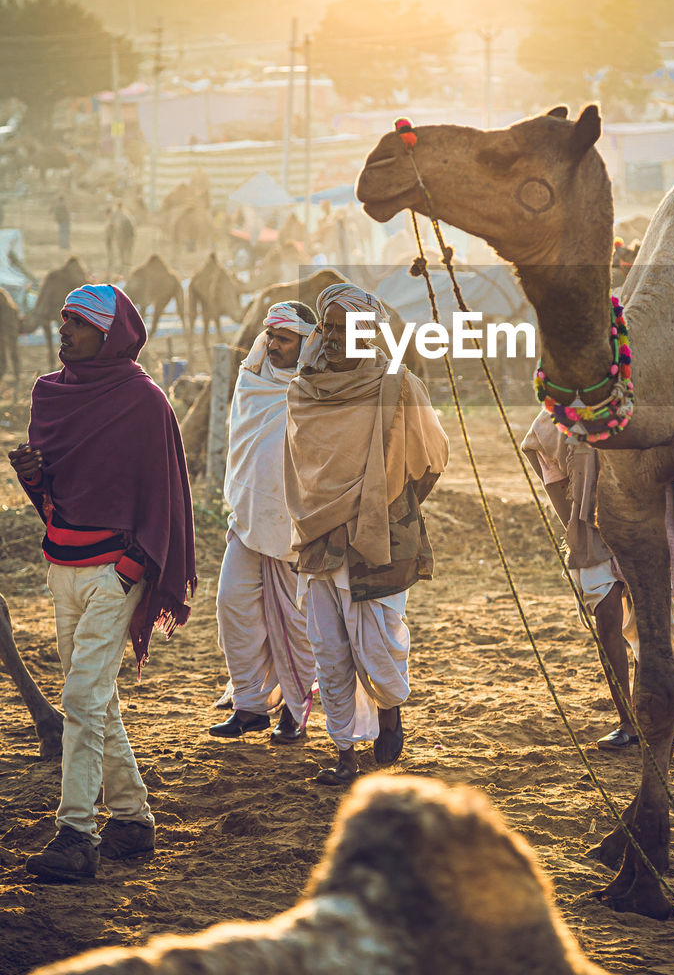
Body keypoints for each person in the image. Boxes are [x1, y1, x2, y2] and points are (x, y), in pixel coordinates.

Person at [8, 284, 195, 881]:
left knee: (82, 698)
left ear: (111, 335)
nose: (65, 332)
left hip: (118, 569)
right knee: (94, 697)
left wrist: (134, 568)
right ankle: (134, 819)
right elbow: (59, 497)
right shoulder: (49, 395)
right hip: (62, 564)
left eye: (80, 323)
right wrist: (34, 478)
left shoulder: (144, 402)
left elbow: (160, 499)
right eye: (64, 321)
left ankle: (76, 833)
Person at [284, 282, 449, 786]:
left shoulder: (398, 387)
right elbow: (300, 469)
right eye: (327, 327)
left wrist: (383, 504)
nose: (334, 337)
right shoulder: (302, 391)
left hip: (378, 537)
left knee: (378, 647)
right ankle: (345, 753)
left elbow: (431, 459)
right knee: (329, 654)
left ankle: (389, 712)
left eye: (345, 328)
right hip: (317, 537)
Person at [522, 410, 674, 751]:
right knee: (606, 617)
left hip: (649, 513)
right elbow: (540, 442)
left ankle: (647, 715)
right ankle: (626, 720)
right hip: (592, 516)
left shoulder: (641, 393)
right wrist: (572, 512)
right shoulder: (570, 403)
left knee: (650, 623)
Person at [210, 300, 318, 743]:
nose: (273, 344)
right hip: (249, 518)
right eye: (270, 335)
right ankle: (250, 707)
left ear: (305, 344)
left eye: (285, 338)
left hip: (294, 528)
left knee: (295, 626)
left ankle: (294, 712)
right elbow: (244, 448)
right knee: (232, 607)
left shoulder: (318, 390)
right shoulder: (252, 381)